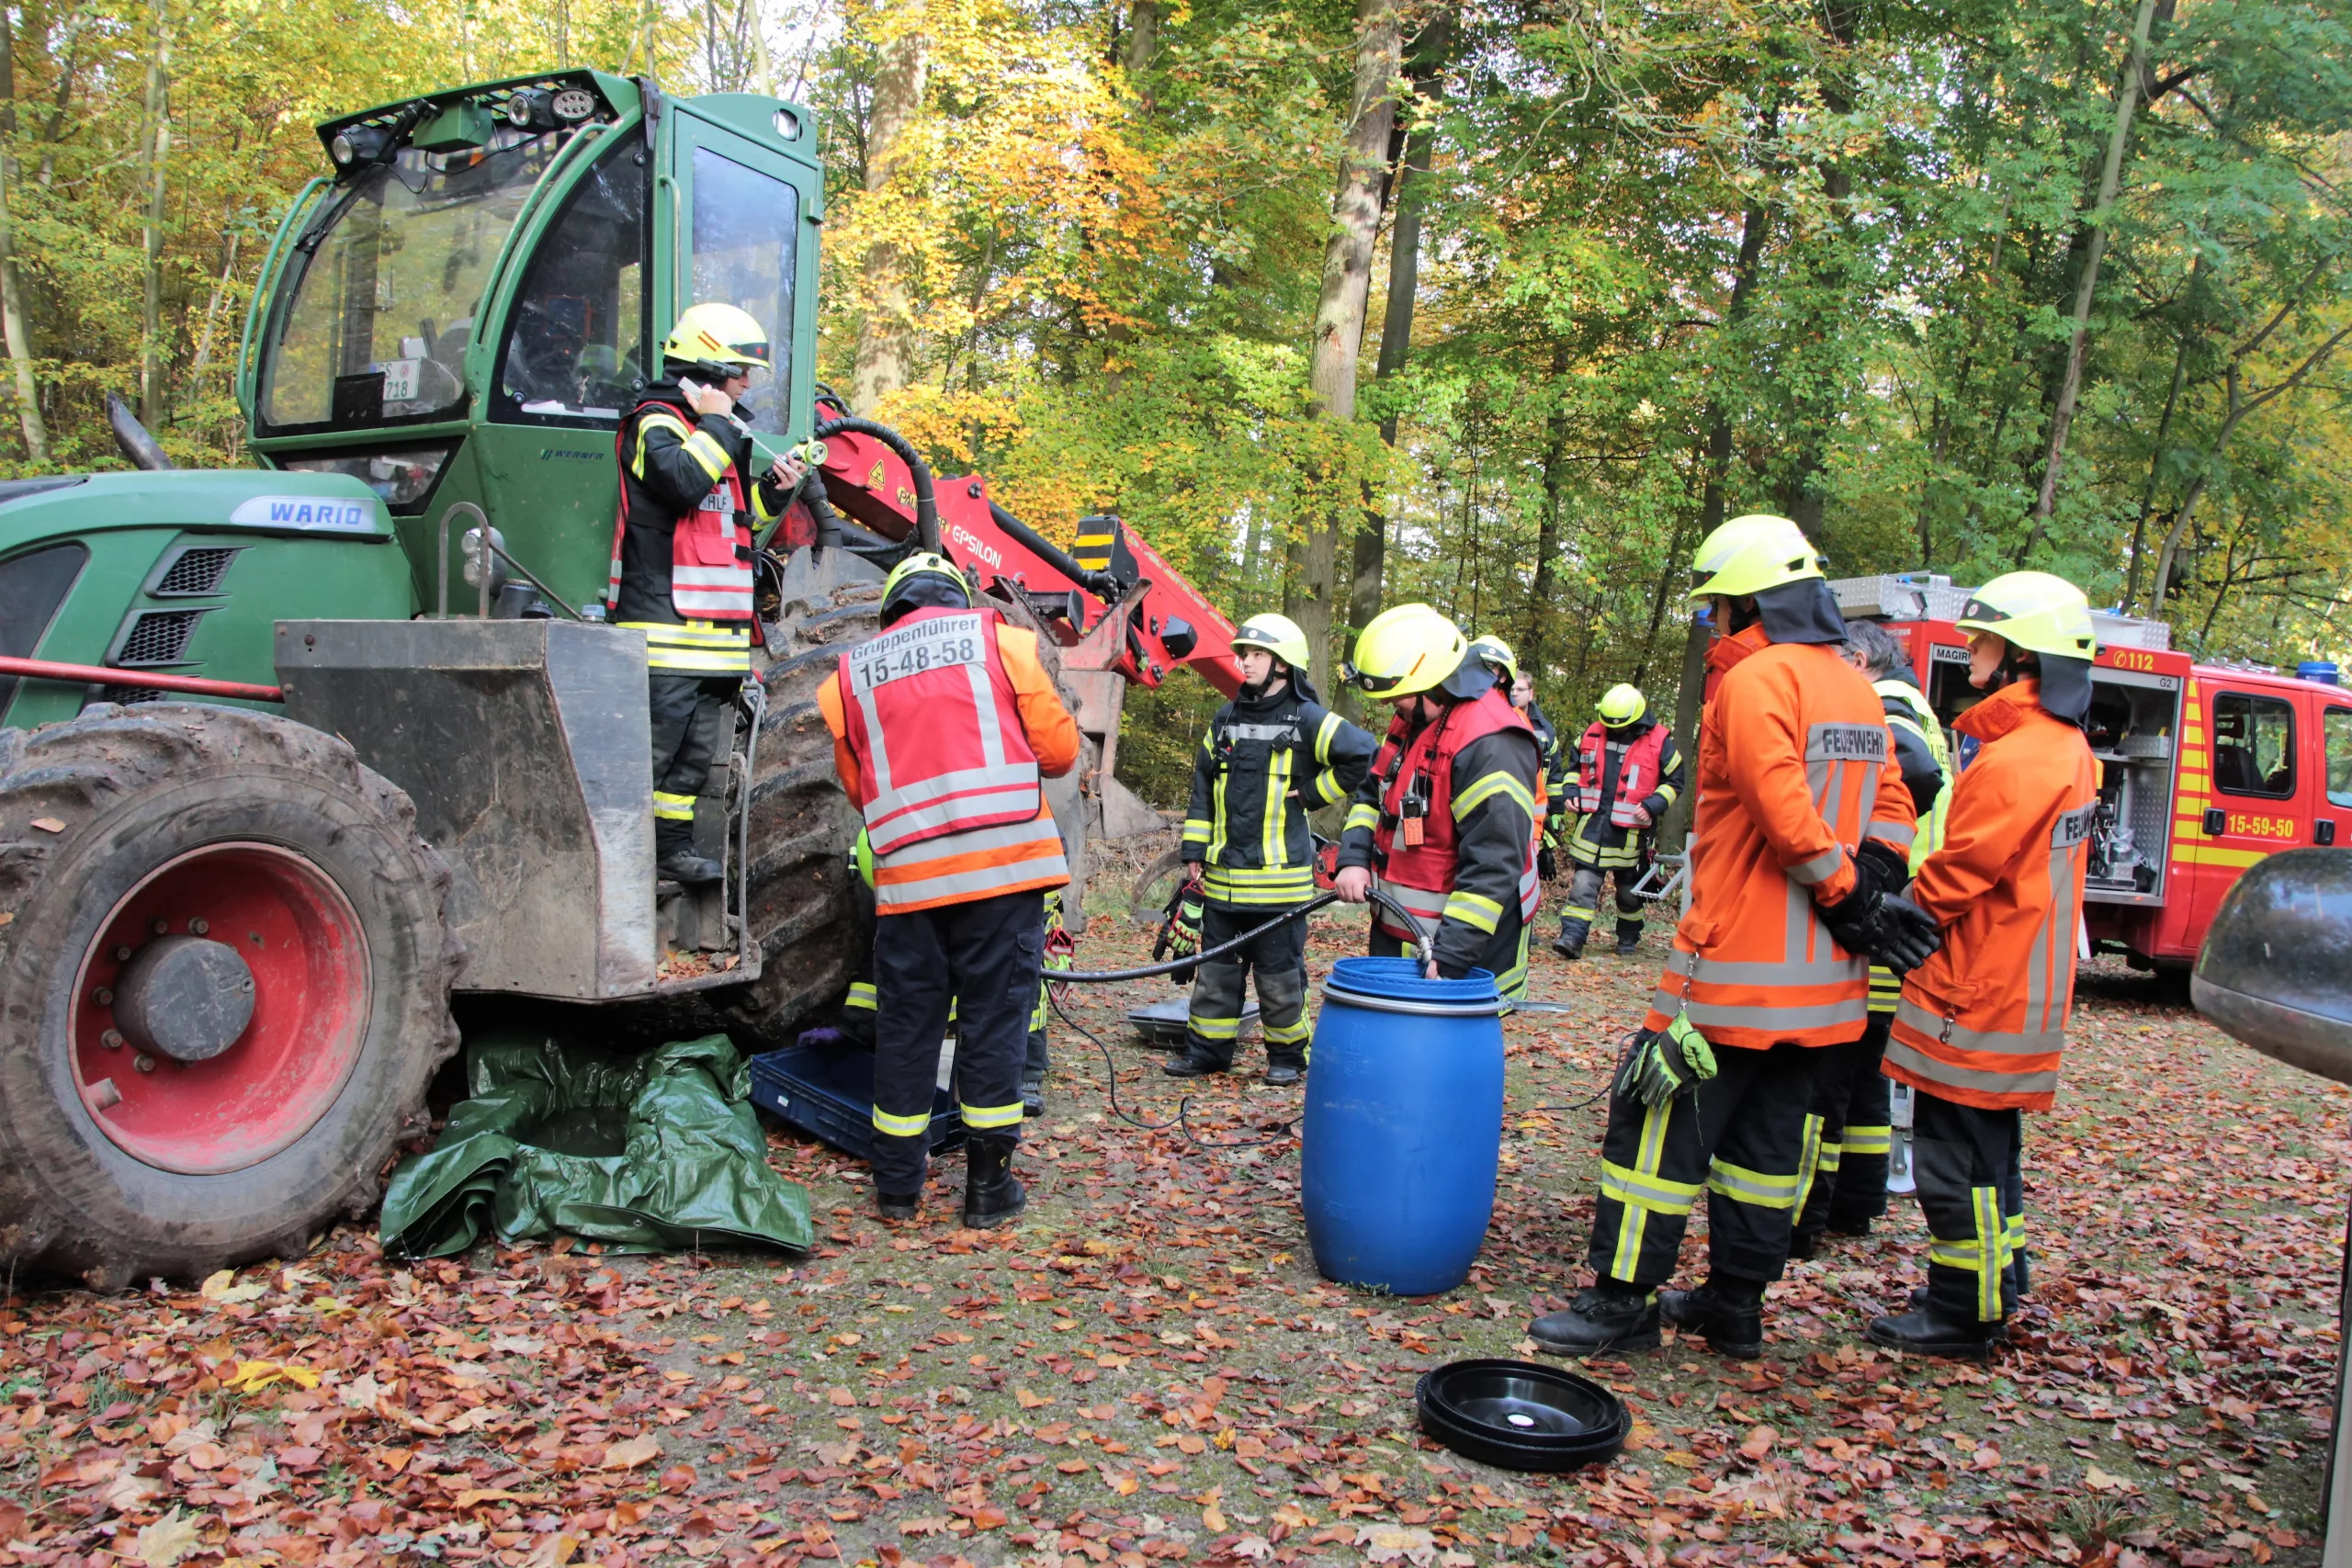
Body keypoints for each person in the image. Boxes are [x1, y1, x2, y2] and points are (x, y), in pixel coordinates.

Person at [1527, 515, 1935, 1359]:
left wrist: (1846, 886)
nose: (1714, 624)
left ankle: (1621, 1305)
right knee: (1766, 1146)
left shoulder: (1754, 685)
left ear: (1750, 602)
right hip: (1825, 986)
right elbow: (1897, 800)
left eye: (1719, 607)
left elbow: (1779, 807)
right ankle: (1734, 1304)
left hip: (1733, 973)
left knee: (1651, 1125)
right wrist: (1874, 881)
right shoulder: (1856, 688)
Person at [1868, 572, 2099, 1358]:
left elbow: (1969, 861)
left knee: (1954, 1155)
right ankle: (1997, 1283)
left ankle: (1960, 1311)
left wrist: (1909, 906)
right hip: (2018, 983)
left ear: (2022, 653)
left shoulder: (2022, 756)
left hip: (1976, 986)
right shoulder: (2063, 747)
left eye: (1985, 638)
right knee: (1991, 1155)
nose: (1971, 648)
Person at [816, 551, 1080, 1226]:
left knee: (908, 1030)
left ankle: (898, 1190)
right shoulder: (1002, 641)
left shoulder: (849, 676)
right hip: (1003, 875)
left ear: (892, 608)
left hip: (911, 887)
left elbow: (858, 787)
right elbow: (1058, 753)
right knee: (994, 1024)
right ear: (957, 597)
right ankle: (988, 1190)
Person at [607, 302, 804, 886]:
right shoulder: (655, 421)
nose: (746, 384)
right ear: (708, 365)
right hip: (665, 629)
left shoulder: (718, 434)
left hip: (715, 635)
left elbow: (732, 522)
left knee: (692, 761)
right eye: (740, 371)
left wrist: (772, 490)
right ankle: (619, 860)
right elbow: (683, 484)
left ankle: (669, 850)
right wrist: (717, 423)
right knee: (650, 755)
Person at [1790, 618, 1951, 1257]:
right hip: (1900, 913)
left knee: (1827, 1075)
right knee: (1863, 1074)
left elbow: (1910, 773)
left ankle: (1803, 1215)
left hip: (1886, 909)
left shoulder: (1891, 707)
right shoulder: (1912, 703)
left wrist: (1862, 868)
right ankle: (1856, 1202)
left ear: (1860, 657)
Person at [1169, 615, 1376, 1083]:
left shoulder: (1307, 719)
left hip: (1278, 888)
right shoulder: (1225, 718)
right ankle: (1207, 1054)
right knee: (1215, 975)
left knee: (1279, 978)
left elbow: (1364, 755)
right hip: (1222, 882)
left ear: (1284, 664)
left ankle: (1286, 1059)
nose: (1244, 661)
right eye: (1243, 653)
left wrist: (1311, 794)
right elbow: (1202, 788)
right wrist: (1193, 854)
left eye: (1256, 654)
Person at [1334, 605, 1544, 1002]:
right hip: (1402, 926)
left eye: (1395, 696)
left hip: (1466, 945)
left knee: (1450, 1054)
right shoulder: (1418, 714)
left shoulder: (1492, 742)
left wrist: (1452, 954)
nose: (1387, 706)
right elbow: (1371, 794)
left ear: (1433, 680)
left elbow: (1494, 860)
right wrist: (1354, 858)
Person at [1552, 683, 1685, 961]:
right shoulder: (1590, 733)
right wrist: (1571, 792)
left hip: (1631, 834)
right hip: (1592, 828)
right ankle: (1572, 938)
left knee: (1628, 893)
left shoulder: (1659, 742)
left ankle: (1628, 937)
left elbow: (1675, 781)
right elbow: (1573, 770)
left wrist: (1653, 805)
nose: (1614, 729)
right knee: (1583, 885)